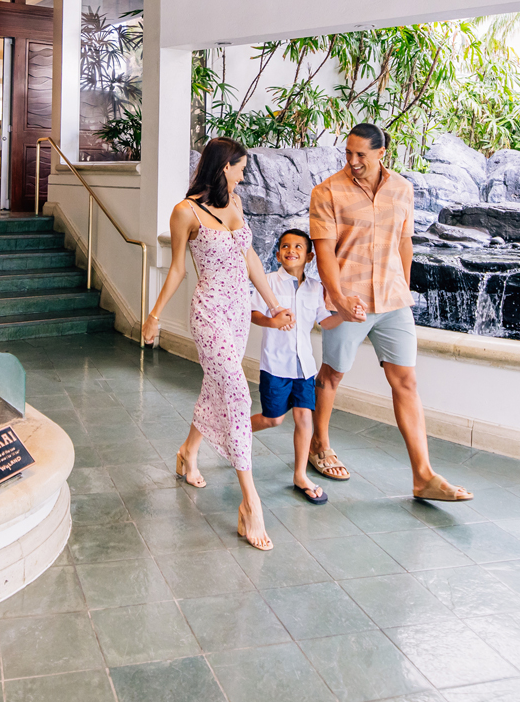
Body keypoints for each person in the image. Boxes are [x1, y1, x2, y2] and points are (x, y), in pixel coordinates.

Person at [307, 123, 473, 502]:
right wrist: (337, 296)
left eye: (360, 155)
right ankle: (320, 446)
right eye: (348, 153)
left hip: (393, 301)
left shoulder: (402, 189)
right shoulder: (327, 192)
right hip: (349, 301)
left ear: (382, 153)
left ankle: (423, 476)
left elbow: (404, 241)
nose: (352, 161)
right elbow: (324, 251)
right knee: (331, 375)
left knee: (407, 382)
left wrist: (405, 287)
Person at [142, 138, 290, 550]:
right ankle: (250, 502)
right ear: (224, 166)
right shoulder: (184, 212)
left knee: (217, 386)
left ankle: (189, 451)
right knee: (239, 395)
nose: (244, 173)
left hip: (239, 312)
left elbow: (252, 261)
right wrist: (153, 316)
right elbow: (175, 270)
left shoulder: (237, 205)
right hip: (208, 313)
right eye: (240, 166)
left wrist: (275, 306)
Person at [249, 229, 344, 505]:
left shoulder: (315, 288)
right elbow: (253, 312)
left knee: (304, 418)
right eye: (285, 246)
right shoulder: (268, 282)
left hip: (305, 368)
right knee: (273, 419)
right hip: (275, 366)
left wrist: (347, 317)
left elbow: (324, 322)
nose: (291, 250)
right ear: (278, 253)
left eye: (298, 247)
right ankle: (233, 431)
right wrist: (272, 322)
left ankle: (300, 475)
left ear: (310, 256)